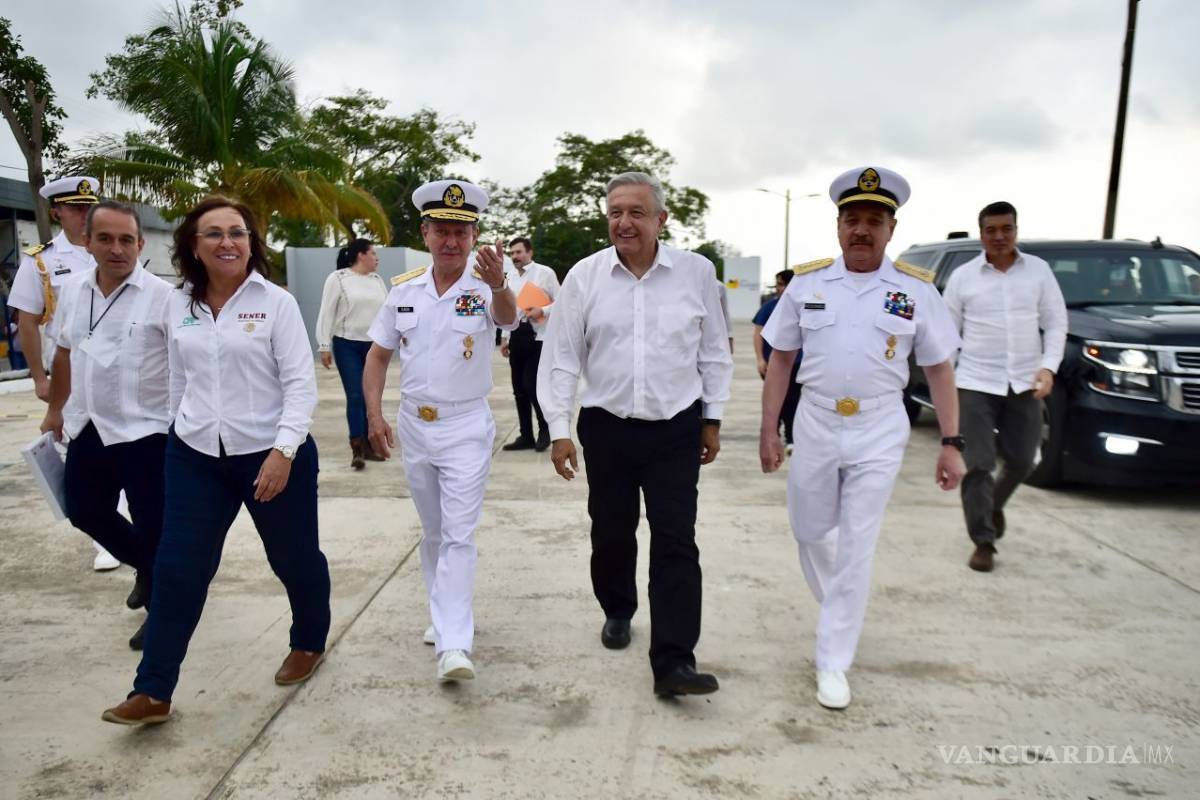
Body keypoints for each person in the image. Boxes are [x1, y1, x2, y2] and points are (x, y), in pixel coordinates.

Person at [102, 196, 329, 726]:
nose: (229, 242)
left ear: (251, 243)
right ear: (193, 247)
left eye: (238, 233)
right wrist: (175, 430)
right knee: (178, 568)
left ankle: (309, 640)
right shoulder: (176, 304)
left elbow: (300, 386)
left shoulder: (276, 303)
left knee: (293, 559)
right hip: (195, 453)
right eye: (215, 234)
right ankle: (152, 691)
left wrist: (282, 451)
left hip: (274, 454)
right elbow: (179, 376)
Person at [759, 166, 966, 710]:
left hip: (879, 426)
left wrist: (951, 442)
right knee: (809, 531)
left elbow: (940, 369)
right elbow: (780, 360)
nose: (862, 230)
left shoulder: (915, 290)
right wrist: (768, 430)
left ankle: (833, 660)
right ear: (838, 226)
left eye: (874, 220)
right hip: (816, 422)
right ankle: (842, 612)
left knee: (857, 542)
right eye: (852, 219)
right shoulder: (807, 284)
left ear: (891, 229)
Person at [537, 172, 733, 699]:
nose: (624, 222)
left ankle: (674, 662)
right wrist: (559, 430)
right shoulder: (584, 276)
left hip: (676, 427)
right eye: (615, 213)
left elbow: (713, 350)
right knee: (612, 531)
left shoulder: (696, 274)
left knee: (675, 540)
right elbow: (561, 359)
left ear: (661, 220)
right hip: (608, 428)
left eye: (636, 213)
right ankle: (618, 609)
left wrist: (711, 419)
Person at [363, 179, 517, 683]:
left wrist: (498, 286)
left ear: (474, 238)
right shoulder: (403, 290)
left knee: (458, 534)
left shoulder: (486, 287)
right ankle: (442, 614)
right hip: (415, 423)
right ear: (425, 233)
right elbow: (379, 356)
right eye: (443, 231)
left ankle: (455, 644)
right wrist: (373, 414)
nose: (452, 241)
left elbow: (509, 319)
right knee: (433, 531)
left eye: (462, 232)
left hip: (466, 425)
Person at [39, 201, 173, 650]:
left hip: (147, 431)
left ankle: (161, 613)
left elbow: (186, 366)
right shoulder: (74, 289)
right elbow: (63, 352)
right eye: (106, 239)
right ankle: (153, 569)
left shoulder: (163, 296)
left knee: (153, 523)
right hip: (89, 423)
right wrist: (56, 410)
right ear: (87, 241)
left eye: (126, 240)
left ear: (139, 243)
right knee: (83, 509)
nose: (117, 249)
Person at [942, 201, 1067, 573]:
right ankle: (983, 540)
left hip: (1025, 382)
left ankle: (992, 505)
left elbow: (1057, 323)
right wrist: (945, 386)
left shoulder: (1039, 273)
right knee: (978, 463)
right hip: (975, 381)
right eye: (991, 230)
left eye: (1006, 229)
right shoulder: (964, 278)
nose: (999, 236)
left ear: (1016, 230)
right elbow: (949, 336)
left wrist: (1048, 367)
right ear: (981, 233)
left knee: (1023, 460)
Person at [9, 174, 122, 572]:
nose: (85, 215)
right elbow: (27, 320)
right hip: (70, 369)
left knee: (127, 443)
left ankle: (128, 532)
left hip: (118, 366)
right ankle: (105, 539)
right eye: (77, 209)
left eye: (90, 207)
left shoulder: (113, 248)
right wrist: (40, 377)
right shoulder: (41, 260)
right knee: (85, 450)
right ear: (57, 212)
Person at [315, 237, 389, 469]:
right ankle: (357, 448)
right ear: (361, 255)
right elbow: (326, 312)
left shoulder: (377, 280)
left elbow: (388, 311)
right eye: (374, 253)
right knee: (356, 395)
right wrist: (324, 345)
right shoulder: (338, 278)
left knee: (371, 398)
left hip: (374, 347)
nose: (377, 258)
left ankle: (369, 445)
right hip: (346, 344)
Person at [498, 236, 559, 452]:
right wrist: (505, 338)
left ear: (529, 252)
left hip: (539, 336)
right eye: (512, 253)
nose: (515, 256)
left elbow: (561, 302)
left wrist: (543, 310)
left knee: (532, 386)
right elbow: (508, 309)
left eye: (519, 252)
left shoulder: (545, 273)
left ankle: (545, 429)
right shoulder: (510, 278)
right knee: (518, 389)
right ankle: (526, 435)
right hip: (517, 335)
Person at [752, 269, 802, 450]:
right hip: (772, 366)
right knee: (775, 401)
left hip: (797, 365)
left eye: (783, 284)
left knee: (793, 401)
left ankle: (791, 438)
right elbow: (758, 333)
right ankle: (774, 433)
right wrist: (760, 359)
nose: (780, 289)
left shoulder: (804, 305)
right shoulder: (770, 307)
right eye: (779, 284)